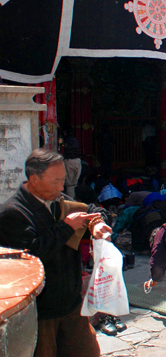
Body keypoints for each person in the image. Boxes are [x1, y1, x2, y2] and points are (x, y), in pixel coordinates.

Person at [0, 148, 112, 357]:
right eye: (55, 181)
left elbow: (93, 210)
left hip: (71, 305)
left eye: (63, 180)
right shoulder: (13, 213)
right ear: (34, 180)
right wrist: (66, 228)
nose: (61, 186)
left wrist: (97, 223)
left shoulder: (59, 201)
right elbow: (31, 258)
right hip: (41, 313)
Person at [61, 129, 82, 198]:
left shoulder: (66, 140)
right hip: (77, 160)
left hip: (69, 160)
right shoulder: (75, 140)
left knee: (69, 183)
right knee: (74, 182)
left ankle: (71, 199)